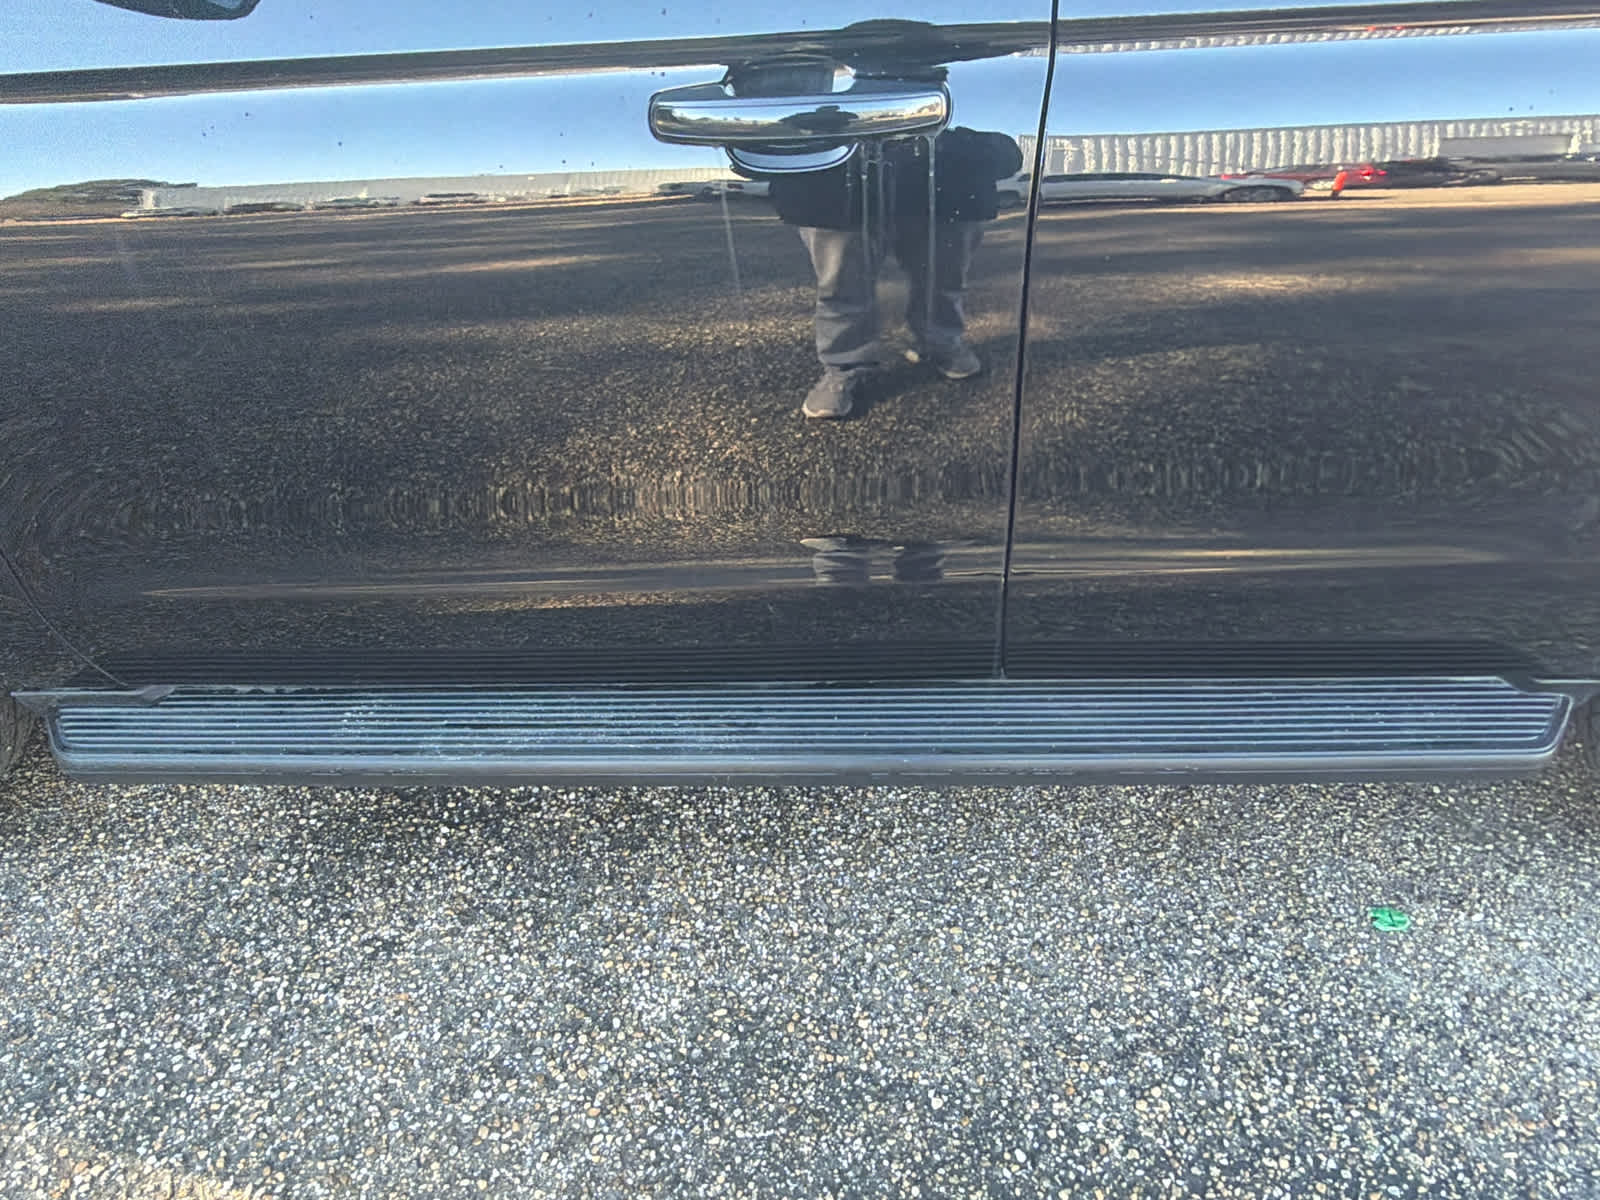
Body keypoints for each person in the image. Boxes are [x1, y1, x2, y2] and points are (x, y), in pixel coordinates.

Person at [768, 125, 1023, 419]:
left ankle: (941, 341)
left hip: (948, 184)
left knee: (943, 280)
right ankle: (843, 367)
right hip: (841, 184)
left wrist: (958, 146)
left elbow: (1007, 155)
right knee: (842, 287)